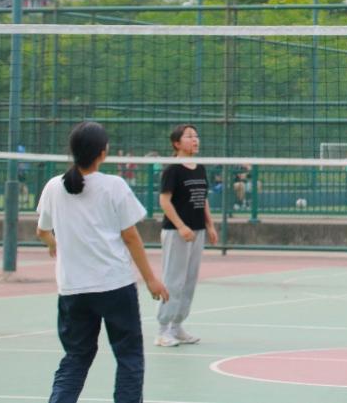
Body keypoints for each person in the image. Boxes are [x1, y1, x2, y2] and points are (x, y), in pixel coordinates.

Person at [36, 121, 169, 403]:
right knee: (129, 356)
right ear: (103, 152)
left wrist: (54, 244)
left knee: (76, 357)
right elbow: (130, 237)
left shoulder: (53, 187)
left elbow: (42, 231)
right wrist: (151, 279)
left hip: (72, 289)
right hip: (114, 285)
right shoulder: (114, 186)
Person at [155, 124, 218, 347]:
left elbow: (203, 199)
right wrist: (181, 226)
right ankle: (163, 330)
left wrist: (210, 225)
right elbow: (164, 201)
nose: (195, 140)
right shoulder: (172, 169)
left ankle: (177, 326)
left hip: (197, 231)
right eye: (189, 136)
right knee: (173, 281)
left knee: (189, 282)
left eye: (196, 136)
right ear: (176, 143)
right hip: (177, 233)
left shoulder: (200, 168)